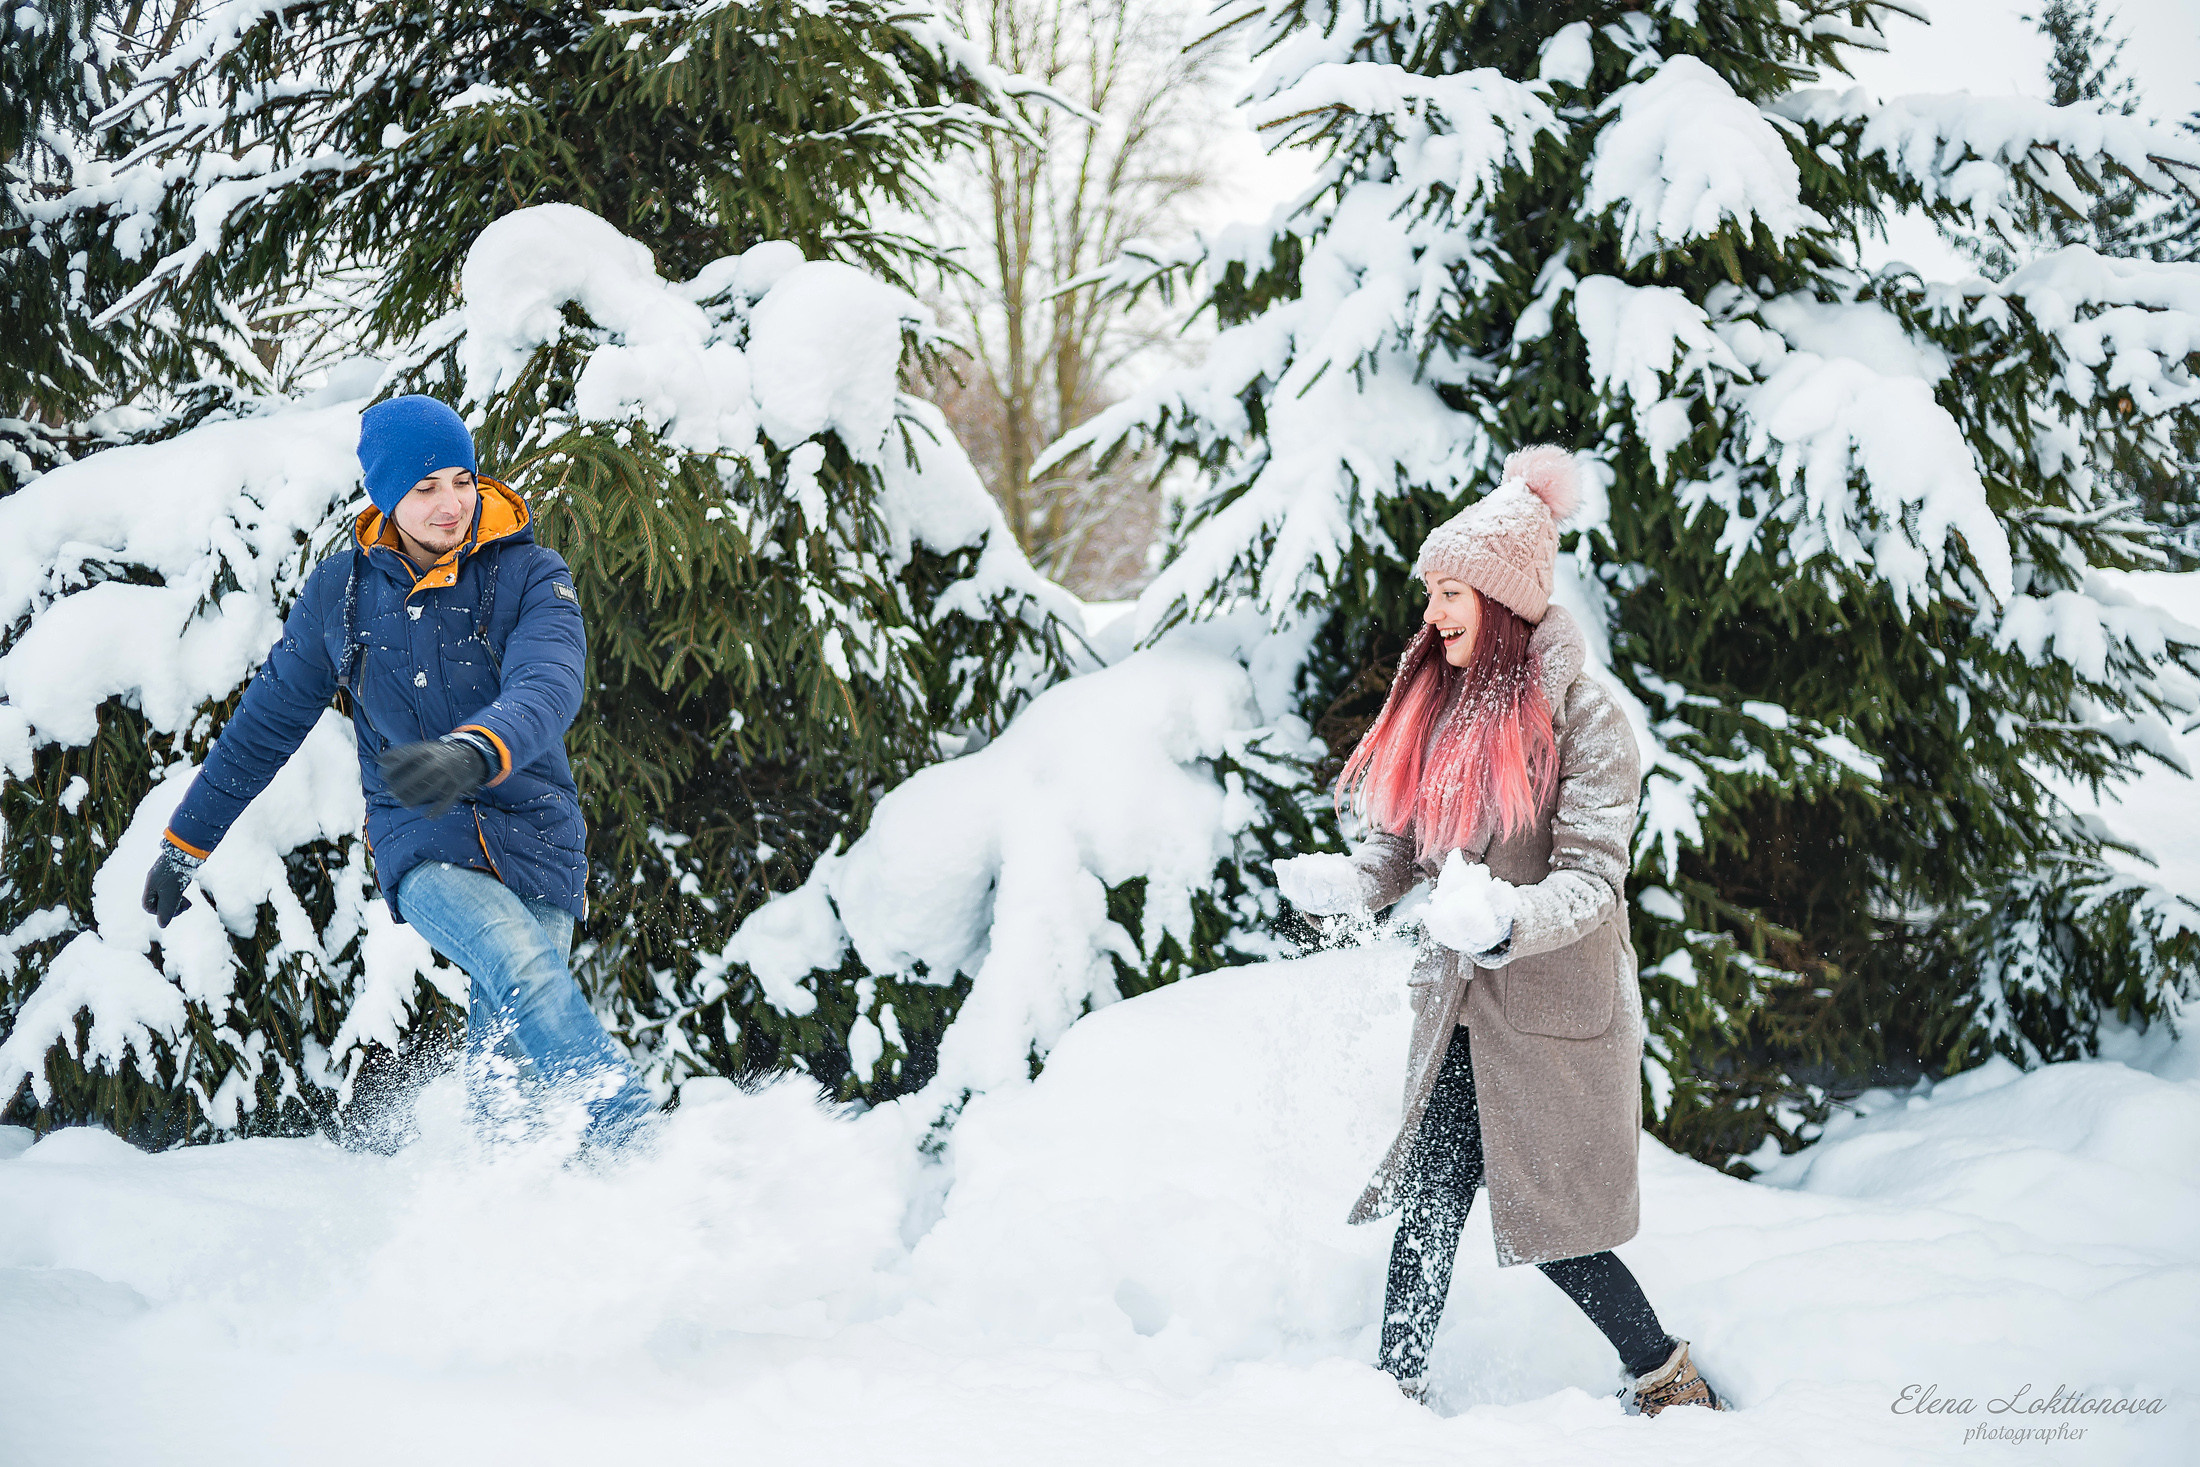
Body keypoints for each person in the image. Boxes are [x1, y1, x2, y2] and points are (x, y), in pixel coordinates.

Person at [1275, 445, 1726, 1418]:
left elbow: (1594, 884)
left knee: (1558, 1228)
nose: (1433, 612)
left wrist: (1504, 921)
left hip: (1550, 1019)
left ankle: (1664, 1373)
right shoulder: (1441, 709)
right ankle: (1391, 1395)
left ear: (1505, 601)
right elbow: (1395, 856)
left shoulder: (1589, 723)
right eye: (1432, 590)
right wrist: (1345, 886)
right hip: (1459, 1015)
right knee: (1431, 1201)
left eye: (1451, 592)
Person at [140, 394, 656, 1152]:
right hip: (426, 841)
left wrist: (474, 750)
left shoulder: (531, 574)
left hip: (536, 839)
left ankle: (510, 1213)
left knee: (504, 1060)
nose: (450, 503)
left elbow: (548, 686)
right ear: (385, 496)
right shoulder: (341, 597)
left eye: (461, 478)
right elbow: (265, 726)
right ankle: (636, 1135)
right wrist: (186, 843)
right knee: (524, 966)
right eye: (424, 488)